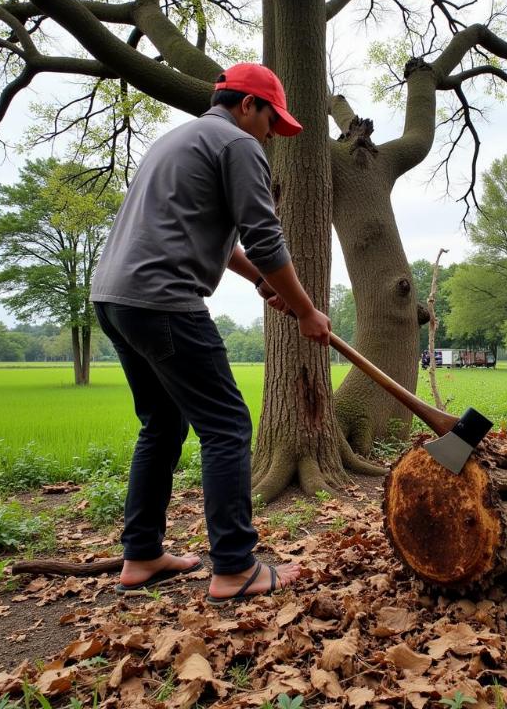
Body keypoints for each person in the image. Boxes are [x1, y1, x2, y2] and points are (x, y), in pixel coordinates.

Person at [90, 62, 331, 603]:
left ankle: (142, 553)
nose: (271, 134)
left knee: (162, 424)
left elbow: (219, 241)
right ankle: (235, 566)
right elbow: (266, 238)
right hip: (164, 300)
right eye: (272, 121)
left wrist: (265, 286)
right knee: (226, 425)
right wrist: (307, 309)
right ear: (249, 105)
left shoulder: (177, 140)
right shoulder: (237, 144)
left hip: (115, 299)